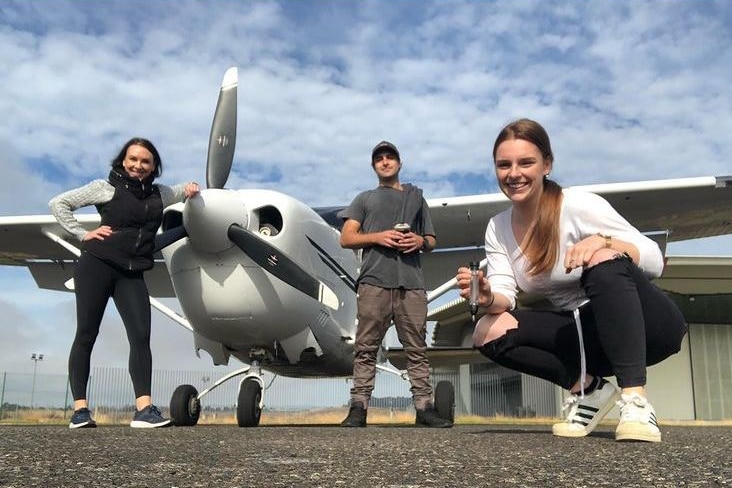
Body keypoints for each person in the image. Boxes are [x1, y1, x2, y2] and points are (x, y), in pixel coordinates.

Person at [456, 119, 686, 442]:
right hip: (584, 337)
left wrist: (605, 243)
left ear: (547, 165)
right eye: (503, 165)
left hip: (648, 328)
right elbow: (505, 296)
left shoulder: (577, 204)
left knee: (601, 260)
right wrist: (486, 295)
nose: (514, 173)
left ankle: (635, 399)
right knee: (486, 330)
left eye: (526, 162)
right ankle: (589, 389)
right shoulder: (498, 227)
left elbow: (654, 259)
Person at [49, 137, 200, 429]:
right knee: (86, 333)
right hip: (97, 265)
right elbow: (59, 204)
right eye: (133, 159)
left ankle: (143, 410)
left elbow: (185, 190)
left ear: (154, 166)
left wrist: (192, 189)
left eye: (145, 161)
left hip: (132, 272)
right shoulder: (105, 187)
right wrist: (82, 234)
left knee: (141, 336)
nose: (138, 166)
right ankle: (80, 410)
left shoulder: (160, 194)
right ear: (122, 160)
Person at [339, 141, 452, 428]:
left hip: (411, 283)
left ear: (399, 164)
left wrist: (420, 241)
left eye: (390, 157)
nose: (385, 162)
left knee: (417, 347)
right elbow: (347, 237)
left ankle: (424, 409)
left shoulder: (417, 198)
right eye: (379, 159)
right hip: (374, 282)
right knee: (365, 347)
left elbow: (432, 240)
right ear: (374, 166)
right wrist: (377, 237)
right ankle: (358, 408)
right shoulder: (364, 199)